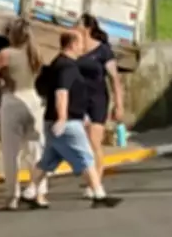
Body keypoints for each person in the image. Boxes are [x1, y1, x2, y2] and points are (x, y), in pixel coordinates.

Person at [26, 30, 121, 209]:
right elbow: (62, 92)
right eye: (80, 44)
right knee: (86, 157)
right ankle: (99, 195)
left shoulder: (58, 63)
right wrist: (63, 118)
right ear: (72, 44)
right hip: (67, 123)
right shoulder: (67, 67)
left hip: (58, 120)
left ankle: (30, 192)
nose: (83, 47)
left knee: (48, 160)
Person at [0, 18, 48, 210]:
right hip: (33, 100)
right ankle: (39, 191)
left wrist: (1, 82)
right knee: (35, 150)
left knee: (12, 152)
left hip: (12, 100)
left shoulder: (5, 54)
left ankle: (12, 196)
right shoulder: (36, 53)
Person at [76, 13, 124, 196]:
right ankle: (91, 179)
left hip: (97, 100)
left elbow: (115, 79)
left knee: (94, 142)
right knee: (82, 144)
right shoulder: (74, 49)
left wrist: (119, 105)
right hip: (78, 100)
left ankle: (95, 184)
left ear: (87, 28)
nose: (75, 27)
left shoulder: (103, 51)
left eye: (78, 24)